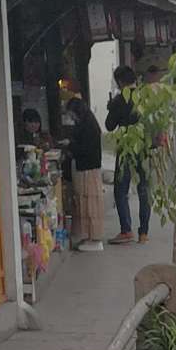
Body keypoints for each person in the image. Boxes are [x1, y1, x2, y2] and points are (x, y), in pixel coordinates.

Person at [106, 66, 152, 245]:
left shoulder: (119, 100)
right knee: (143, 189)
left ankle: (126, 230)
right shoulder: (146, 97)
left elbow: (109, 125)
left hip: (125, 147)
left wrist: (111, 108)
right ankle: (144, 233)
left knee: (121, 189)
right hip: (143, 147)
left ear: (120, 81)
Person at [64, 91, 106, 249]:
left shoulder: (88, 126)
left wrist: (70, 145)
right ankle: (89, 237)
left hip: (88, 169)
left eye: (71, 114)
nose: (71, 118)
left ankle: (93, 239)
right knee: (85, 202)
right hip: (87, 168)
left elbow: (85, 148)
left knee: (89, 204)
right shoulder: (88, 122)